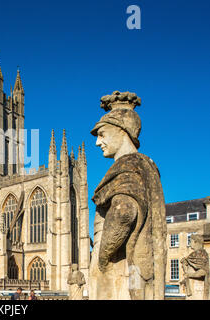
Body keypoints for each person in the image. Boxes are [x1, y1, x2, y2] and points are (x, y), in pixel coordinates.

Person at [89, 91, 167, 300]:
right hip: (134, 271)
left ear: (121, 131)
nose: (98, 142)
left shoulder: (128, 165)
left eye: (102, 134)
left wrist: (103, 258)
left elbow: (124, 213)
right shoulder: (147, 166)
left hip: (118, 271)